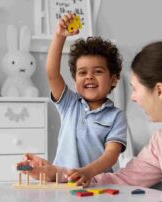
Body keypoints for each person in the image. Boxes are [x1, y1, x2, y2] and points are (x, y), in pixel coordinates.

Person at [17, 41, 162, 201]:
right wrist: (57, 173)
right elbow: (122, 180)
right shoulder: (161, 143)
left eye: (135, 88)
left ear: (159, 91)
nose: (133, 97)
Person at [19, 13, 127, 186]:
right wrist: (59, 36)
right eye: (82, 73)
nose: (89, 77)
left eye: (98, 71)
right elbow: (52, 73)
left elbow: (111, 155)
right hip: (61, 182)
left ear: (113, 79)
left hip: (97, 184)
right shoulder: (69, 104)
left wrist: (87, 172)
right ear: (75, 79)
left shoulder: (116, 116)